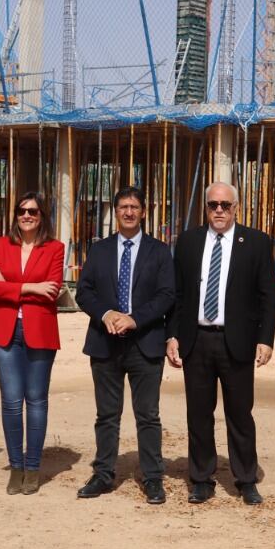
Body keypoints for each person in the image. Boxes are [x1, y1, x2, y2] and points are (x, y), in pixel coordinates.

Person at [167, 182, 275, 505]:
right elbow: (177, 294)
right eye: (213, 205)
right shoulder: (188, 242)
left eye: (225, 205)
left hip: (238, 341)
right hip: (196, 340)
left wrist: (265, 339)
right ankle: (201, 478)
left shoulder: (256, 243)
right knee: (199, 413)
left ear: (236, 208)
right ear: (205, 208)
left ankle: (246, 479)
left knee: (240, 413)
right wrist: (171, 335)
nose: (219, 210)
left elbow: (268, 297)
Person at [75, 186, 176, 504]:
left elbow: (166, 295)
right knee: (107, 415)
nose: (129, 212)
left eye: (134, 207)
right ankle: (103, 474)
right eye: (123, 207)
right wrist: (106, 313)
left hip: (144, 342)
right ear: (115, 212)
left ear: (144, 212)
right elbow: (84, 290)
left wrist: (134, 319)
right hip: (105, 342)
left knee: (147, 414)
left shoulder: (159, 252)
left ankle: (153, 477)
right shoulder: (99, 250)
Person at [0, 191, 66, 495]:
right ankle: (15, 467)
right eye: (22, 211)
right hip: (4, 331)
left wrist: (9, 284)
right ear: (15, 214)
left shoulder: (55, 248)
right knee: (12, 401)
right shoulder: (1, 245)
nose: (27, 216)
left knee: (37, 400)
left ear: (42, 216)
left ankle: (32, 467)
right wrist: (31, 286)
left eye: (33, 211)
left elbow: (52, 290)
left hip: (39, 330)